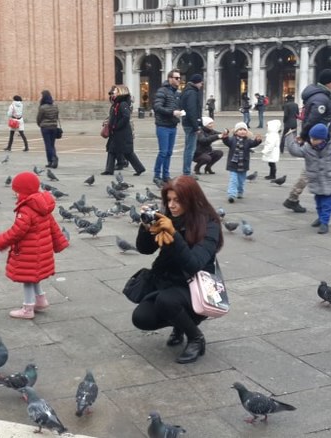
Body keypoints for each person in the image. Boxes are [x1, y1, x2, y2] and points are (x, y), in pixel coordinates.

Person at [131, 176, 223, 364]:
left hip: (195, 287)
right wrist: (146, 227)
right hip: (167, 281)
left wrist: (174, 234)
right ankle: (180, 323)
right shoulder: (168, 216)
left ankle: (196, 338)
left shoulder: (209, 224)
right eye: (169, 200)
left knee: (167, 301)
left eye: (177, 200)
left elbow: (194, 264)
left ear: (191, 199)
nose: (171, 206)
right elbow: (145, 249)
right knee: (141, 318)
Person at [0, 172, 69, 319]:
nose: (15, 194)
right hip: (41, 252)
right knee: (34, 277)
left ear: (23, 192)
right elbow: (53, 226)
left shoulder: (26, 209)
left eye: (16, 191)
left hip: (30, 252)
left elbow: (17, 232)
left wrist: (1, 241)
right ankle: (40, 300)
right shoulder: (42, 205)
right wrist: (60, 243)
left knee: (27, 279)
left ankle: (28, 309)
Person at [283, 68, 331, 214]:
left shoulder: (319, 96)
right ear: (328, 82)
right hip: (318, 140)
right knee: (311, 170)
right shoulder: (321, 98)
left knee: (327, 166)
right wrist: (303, 135)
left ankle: (327, 196)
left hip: (321, 138)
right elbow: (312, 119)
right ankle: (292, 198)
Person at [283, 123, 331, 235]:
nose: (312, 140)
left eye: (315, 139)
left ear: (323, 139)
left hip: (329, 179)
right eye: (311, 138)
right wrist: (289, 137)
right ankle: (320, 218)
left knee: (327, 203)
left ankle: (324, 223)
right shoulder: (308, 147)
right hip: (316, 180)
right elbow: (295, 151)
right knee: (318, 202)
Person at [101, 84, 146, 176]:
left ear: (120, 92)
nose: (113, 92)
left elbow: (126, 117)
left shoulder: (122, 104)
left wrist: (116, 126)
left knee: (128, 152)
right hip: (116, 133)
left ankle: (140, 168)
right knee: (111, 150)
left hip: (123, 133)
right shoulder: (116, 103)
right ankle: (109, 170)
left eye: (116, 91)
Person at [152, 69, 184, 185]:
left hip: (172, 125)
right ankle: (156, 175)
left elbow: (176, 107)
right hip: (163, 126)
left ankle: (166, 175)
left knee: (169, 152)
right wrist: (172, 112)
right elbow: (157, 107)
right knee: (163, 152)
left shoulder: (177, 93)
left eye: (180, 78)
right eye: (176, 78)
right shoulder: (162, 91)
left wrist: (180, 112)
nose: (179, 80)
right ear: (170, 79)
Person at [223, 122, 262, 203]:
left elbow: (254, 143)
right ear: (236, 132)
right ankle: (231, 195)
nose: (242, 131)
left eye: (244, 129)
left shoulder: (248, 141)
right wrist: (225, 136)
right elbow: (226, 141)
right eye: (240, 129)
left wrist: (258, 140)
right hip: (233, 164)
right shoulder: (232, 140)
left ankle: (240, 191)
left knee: (241, 181)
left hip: (243, 164)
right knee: (233, 180)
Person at [180, 73, 204, 177]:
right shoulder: (192, 93)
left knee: (188, 148)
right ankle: (187, 172)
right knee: (190, 149)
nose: (201, 85)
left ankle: (186, 170)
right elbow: (192, 110)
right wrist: (196, 126)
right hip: (190, 124)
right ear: (197, 82)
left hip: (187, 123)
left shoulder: (187, 90)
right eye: (201, 83)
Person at [36, 90, 60, 168]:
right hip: (54, 127)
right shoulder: (55, 106)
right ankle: (51, 161)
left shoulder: (42, 107)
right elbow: (56, 116)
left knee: (48, 145)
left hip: (45, 128)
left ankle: (53, 158)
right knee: (52, 145)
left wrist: (40, 124)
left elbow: (39, 118)